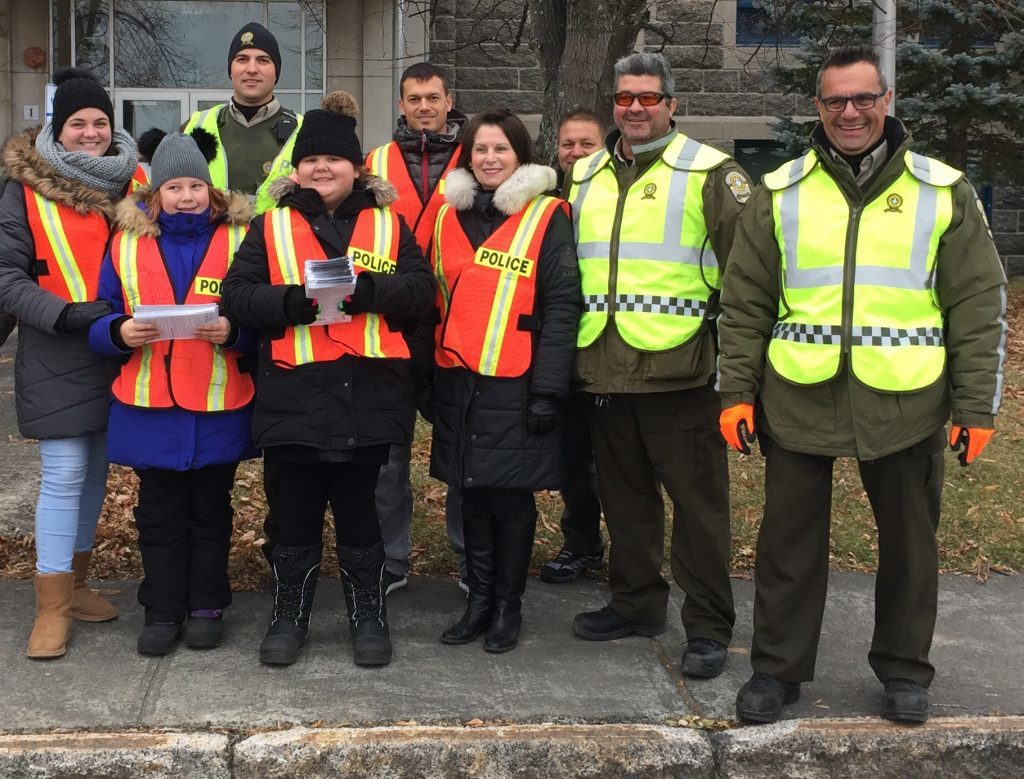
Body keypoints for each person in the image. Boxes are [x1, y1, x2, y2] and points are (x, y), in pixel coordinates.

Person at [718, 44, 1007, 725]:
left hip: (906, 401)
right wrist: (735, 391)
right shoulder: (782, 190)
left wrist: (976, 405)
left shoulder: (942, 191)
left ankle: (905, 670)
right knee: (787, 543)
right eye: (835, 101)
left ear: (886, 101)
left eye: (863, 98)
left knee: (911, 544)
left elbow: (977, 303)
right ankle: (777, 669)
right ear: (818, 107)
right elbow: (744, 299)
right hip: (796, 393)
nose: (850, 112)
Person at [220, 91, 435, 668]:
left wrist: (368, 292)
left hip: (367, 391)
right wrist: (292, 303)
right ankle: (289, 616)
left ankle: (369, 617)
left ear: (357, 167)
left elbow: (422, 294)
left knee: (361, 511)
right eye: (311, 160)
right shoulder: (272, 226)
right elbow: (236, 297)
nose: (321, 168)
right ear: (297, 170)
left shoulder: (390, 226)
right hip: (294, 392)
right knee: (295, 512)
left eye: (334, 159)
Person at [567, 52, 749, 680]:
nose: (635, 108)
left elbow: (747, 277)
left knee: (698, 510)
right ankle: (637, 604)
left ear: (672, 104)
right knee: (626, 502)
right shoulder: (585, 172)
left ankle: (706, 628)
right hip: (604, 366)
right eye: (625, 98)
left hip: (682, 372)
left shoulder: (710, 173)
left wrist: (736, 375)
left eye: (649, 97)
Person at [88, 130, 256, 656]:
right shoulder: (126, 242)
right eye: (175, 187)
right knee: (158, 514)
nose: (187, 196)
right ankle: (161, 609)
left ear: (212, 191)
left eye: (196, 186)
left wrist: (236, 332)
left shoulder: (239, 239)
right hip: (150, 406)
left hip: (216, 404)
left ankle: (207, 605)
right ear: (155, 193)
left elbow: (260, 317)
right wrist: (117, 333)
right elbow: (102, 310)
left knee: (211, 510)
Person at [428, 108, 581, 653]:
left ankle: (507, 608)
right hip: (458, 381)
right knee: (469, 495)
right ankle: (478, 601)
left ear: (521, 156)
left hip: (517, 382)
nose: (490, 160)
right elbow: (433, 302)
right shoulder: (447, 216)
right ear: (467, 156)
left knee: (511, 502)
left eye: (501, 150)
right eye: (481, 150)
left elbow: (563, 307)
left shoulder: (547, 216)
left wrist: (548, 390)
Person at [0, 68, 139, 658]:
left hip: (123, 348)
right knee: (64, 473)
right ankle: (50, 606)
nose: (90, 133)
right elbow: (7, 279)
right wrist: (66, 315)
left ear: (113, 128)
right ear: (58, 129)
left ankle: (77, 584)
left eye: (100, 122)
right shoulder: (24, 187)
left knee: (98, 476)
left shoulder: (138, 181)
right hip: (58, 346)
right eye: (77, 123)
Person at [363, 62, 467, 595]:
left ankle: (472, 558)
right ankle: (391, 559)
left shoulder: (479, 157)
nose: (423, 107)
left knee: (464, 448)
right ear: (400, 105)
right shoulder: (375, 162)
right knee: (389, 452)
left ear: (449, 101)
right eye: (413, 99)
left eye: (432, 97)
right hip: (395, 322)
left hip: (462, 321)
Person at [539, 108, 606, 585]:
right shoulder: (545, 201)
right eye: (568, 145)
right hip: (562, 346)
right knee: (572, 459)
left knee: (616, 464)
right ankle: (581, 544)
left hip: (611, 345)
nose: (576, 153)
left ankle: (632, 552)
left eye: (587, 144)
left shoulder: (616, 197)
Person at [183, 22, 301, 214]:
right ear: (231, 70)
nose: (252, 69)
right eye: (242, 59)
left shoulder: (304, 130)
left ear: (276, 72)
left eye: (263, 60)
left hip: (274, 242)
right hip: (212, 242)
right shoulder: (194, 126)